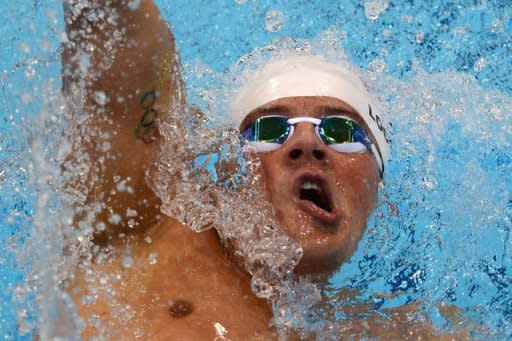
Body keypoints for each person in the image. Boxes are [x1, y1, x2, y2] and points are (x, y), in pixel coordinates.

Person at [62, 0, 459, 339]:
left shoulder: (376, 330)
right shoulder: (145, 226)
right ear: (232, 168)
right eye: (270, 130)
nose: (307, 144)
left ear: (379, 196)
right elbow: (123, 43)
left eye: (340, 130)